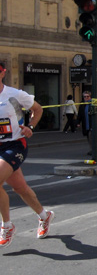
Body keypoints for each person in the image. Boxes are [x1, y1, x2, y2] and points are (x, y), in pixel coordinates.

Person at [0, 62, 54, 248]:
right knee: (20, 188)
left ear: (3, 73)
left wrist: (30, 127)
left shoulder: (15, 94)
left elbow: (37, 109)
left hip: (15, 145)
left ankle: (7, 225)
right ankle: (44, 216)